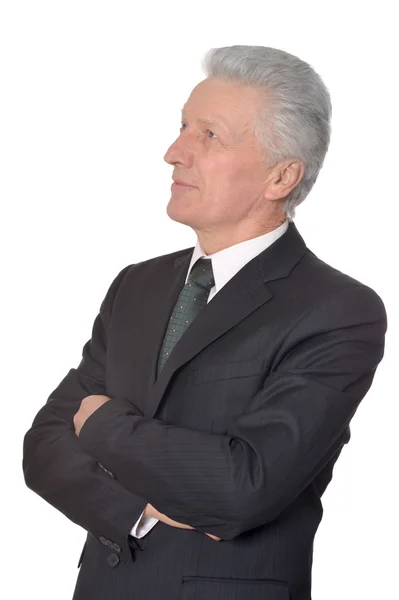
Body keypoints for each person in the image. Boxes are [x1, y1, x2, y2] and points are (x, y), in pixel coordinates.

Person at [22, 45, 387, 600]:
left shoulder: (337, 310)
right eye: (182, 127)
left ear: (281, 176)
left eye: (208, 135)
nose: (174, 152)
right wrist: (136, 511)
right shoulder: (136, 286)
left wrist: (100, 425)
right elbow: (45, 444)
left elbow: (243, 487)